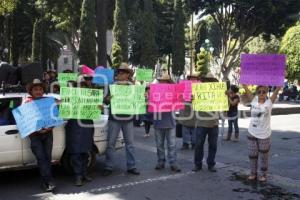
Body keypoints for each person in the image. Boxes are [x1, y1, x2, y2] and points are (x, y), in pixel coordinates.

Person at [102, 63, 140, 176]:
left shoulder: (133, 87)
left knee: (130, 144)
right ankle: (109, 166)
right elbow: (105, 101)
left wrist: (141, 97)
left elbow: (138, 102)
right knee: (111, 144)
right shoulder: (112, 86)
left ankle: (131, 166)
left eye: (122, 72)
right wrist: (108, 98)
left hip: (128, 119)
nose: (119, 74)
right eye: (118, 72)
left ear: (127, 75)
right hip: (114, 118)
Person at [242, 84, 281, 182]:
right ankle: (253, 173)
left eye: (264, 92)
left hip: (264, 134)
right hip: (252, 132)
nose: (261, 93)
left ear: (266, 92)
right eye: (259, 92)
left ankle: (263, 175)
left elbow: (277, 89)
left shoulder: (269, 103)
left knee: (264, 156)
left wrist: (281, 78)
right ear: (257, 93)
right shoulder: (254, 100)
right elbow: (246, 88)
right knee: (252, 155)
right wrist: (244, 83)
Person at [25, 79, 56, 192]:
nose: (38, 91)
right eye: (35, 89)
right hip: (35, 135)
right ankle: (48, 181)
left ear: (43, 91)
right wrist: (37, 130)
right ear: (31, 91)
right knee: (42, 158)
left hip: (48, 134)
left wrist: (49, 128)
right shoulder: (27, 103)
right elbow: (25, 121)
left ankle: (46, 181)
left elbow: (54, 118)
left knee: (47, 158)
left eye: (40, 89)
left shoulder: (49, 101)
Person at [64, 80, 96, 186]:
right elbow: (65, 113)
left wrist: (98, 107)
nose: (81, 89)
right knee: (75, 152)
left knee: (86, 151)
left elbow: (96, 110)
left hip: (87, 126)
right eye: (79, 87)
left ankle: (84, 173)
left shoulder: (91, 98)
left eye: (83, 87)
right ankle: (78, 175)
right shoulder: (70, 98)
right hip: (74, 126)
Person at [152, 74, 181, 172]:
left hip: (170, 122)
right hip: (158, 122)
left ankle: (173, 162)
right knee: (159, 144)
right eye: (161, 81)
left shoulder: (173, 91)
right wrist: (147, 97)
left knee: (172, 144)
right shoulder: (154, 91)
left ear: (168, 82)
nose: (162, 82)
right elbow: (150, 103)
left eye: (165, 81)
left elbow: (180, 100)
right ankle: (161, 161)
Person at [193, 73, 220, 173]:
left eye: (210, 80)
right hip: (201, 123)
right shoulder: (198, 91)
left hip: (214, 123)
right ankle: (197, 164)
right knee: (199, 145)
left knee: (213, 145)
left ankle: (211, 164)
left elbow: (224, 106)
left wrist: (225, 96)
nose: (208, 81)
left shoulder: (218, 92)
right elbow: (194, 106)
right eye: (207, 80)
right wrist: (193, 99)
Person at [178, 73, 199, 150]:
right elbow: (179, 96)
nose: (193, 79)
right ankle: (186, 143)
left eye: (195, 78)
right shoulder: (184, 85)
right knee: (185, 128)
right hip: (185, 109)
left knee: (194, 128)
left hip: (195, 110)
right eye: (192, 78)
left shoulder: (200, 87)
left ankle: (194, 143)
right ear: (189, 79)